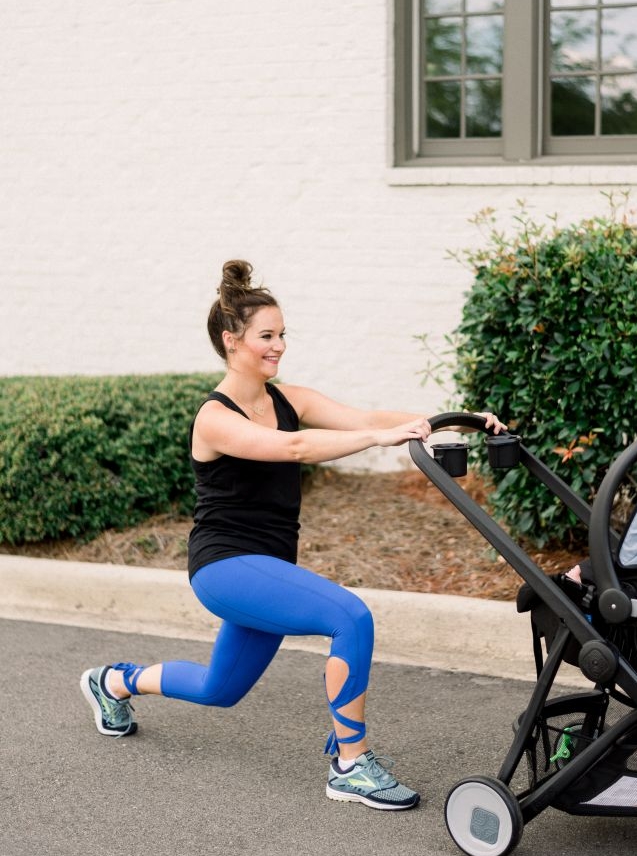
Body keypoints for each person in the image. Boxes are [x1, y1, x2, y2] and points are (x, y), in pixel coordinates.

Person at [80, 259, 503, 810]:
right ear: (232, 341)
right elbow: (294, 448)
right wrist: (380, 439)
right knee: (349, 617)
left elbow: (364, 414)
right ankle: (351, 764)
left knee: (219, 689)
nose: (278, 346)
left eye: (282, 335)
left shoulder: (289, 398)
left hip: (268, 567)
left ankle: (112, 682)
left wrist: (457, 419)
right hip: (225, 566)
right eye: (266, 336)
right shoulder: (214, 417)